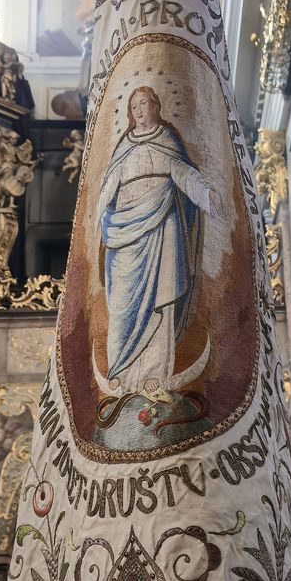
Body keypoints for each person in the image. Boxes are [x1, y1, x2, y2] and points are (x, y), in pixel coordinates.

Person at [93, 86, 221, 399]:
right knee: (121, 304)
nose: (138, 110)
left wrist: (207, 197)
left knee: (160, 303)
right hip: (125, 231)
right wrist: (94, 218)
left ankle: (153, 375)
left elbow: (184, 174)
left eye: (144, 103)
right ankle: (120, 372)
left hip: (162, 228)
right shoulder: (124, 146)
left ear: (156, 106)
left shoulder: (167, 140)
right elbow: (108, 186)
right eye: (133, 105)